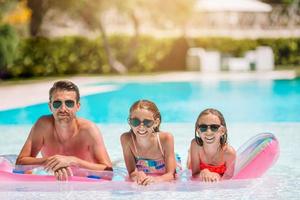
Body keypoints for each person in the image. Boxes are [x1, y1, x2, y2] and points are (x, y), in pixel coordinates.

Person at [16, 80, 112, 180]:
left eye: (69, 103)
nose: (63, 109)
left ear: (77, 106)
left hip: (85, 185)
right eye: (57, 103)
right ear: (50, 106)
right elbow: (19, 164)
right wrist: (51, 161)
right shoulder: (43, 125)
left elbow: (108, 171)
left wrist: (73, 161)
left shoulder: (89, 130)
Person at [120, 100, 177, 185]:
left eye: (147, 122)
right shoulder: (126, 139)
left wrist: (157, 180)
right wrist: (137, 175)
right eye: (135, 121)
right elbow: (132, 172)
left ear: (156, 123)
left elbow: (171, 175)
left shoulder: (166, 139)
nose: (141, 127)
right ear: (129, 122)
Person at [188, 108, 236, 182]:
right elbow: (194, 175)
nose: (208, 132)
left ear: (222, 131)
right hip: (195, 157)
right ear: (198, 130)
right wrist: (202, 172)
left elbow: (229, 180)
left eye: (214, 127)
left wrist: (217, 175)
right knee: (188, 165)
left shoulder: (229, 153)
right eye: (203, 127)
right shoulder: (196, 145)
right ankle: (189, 154)